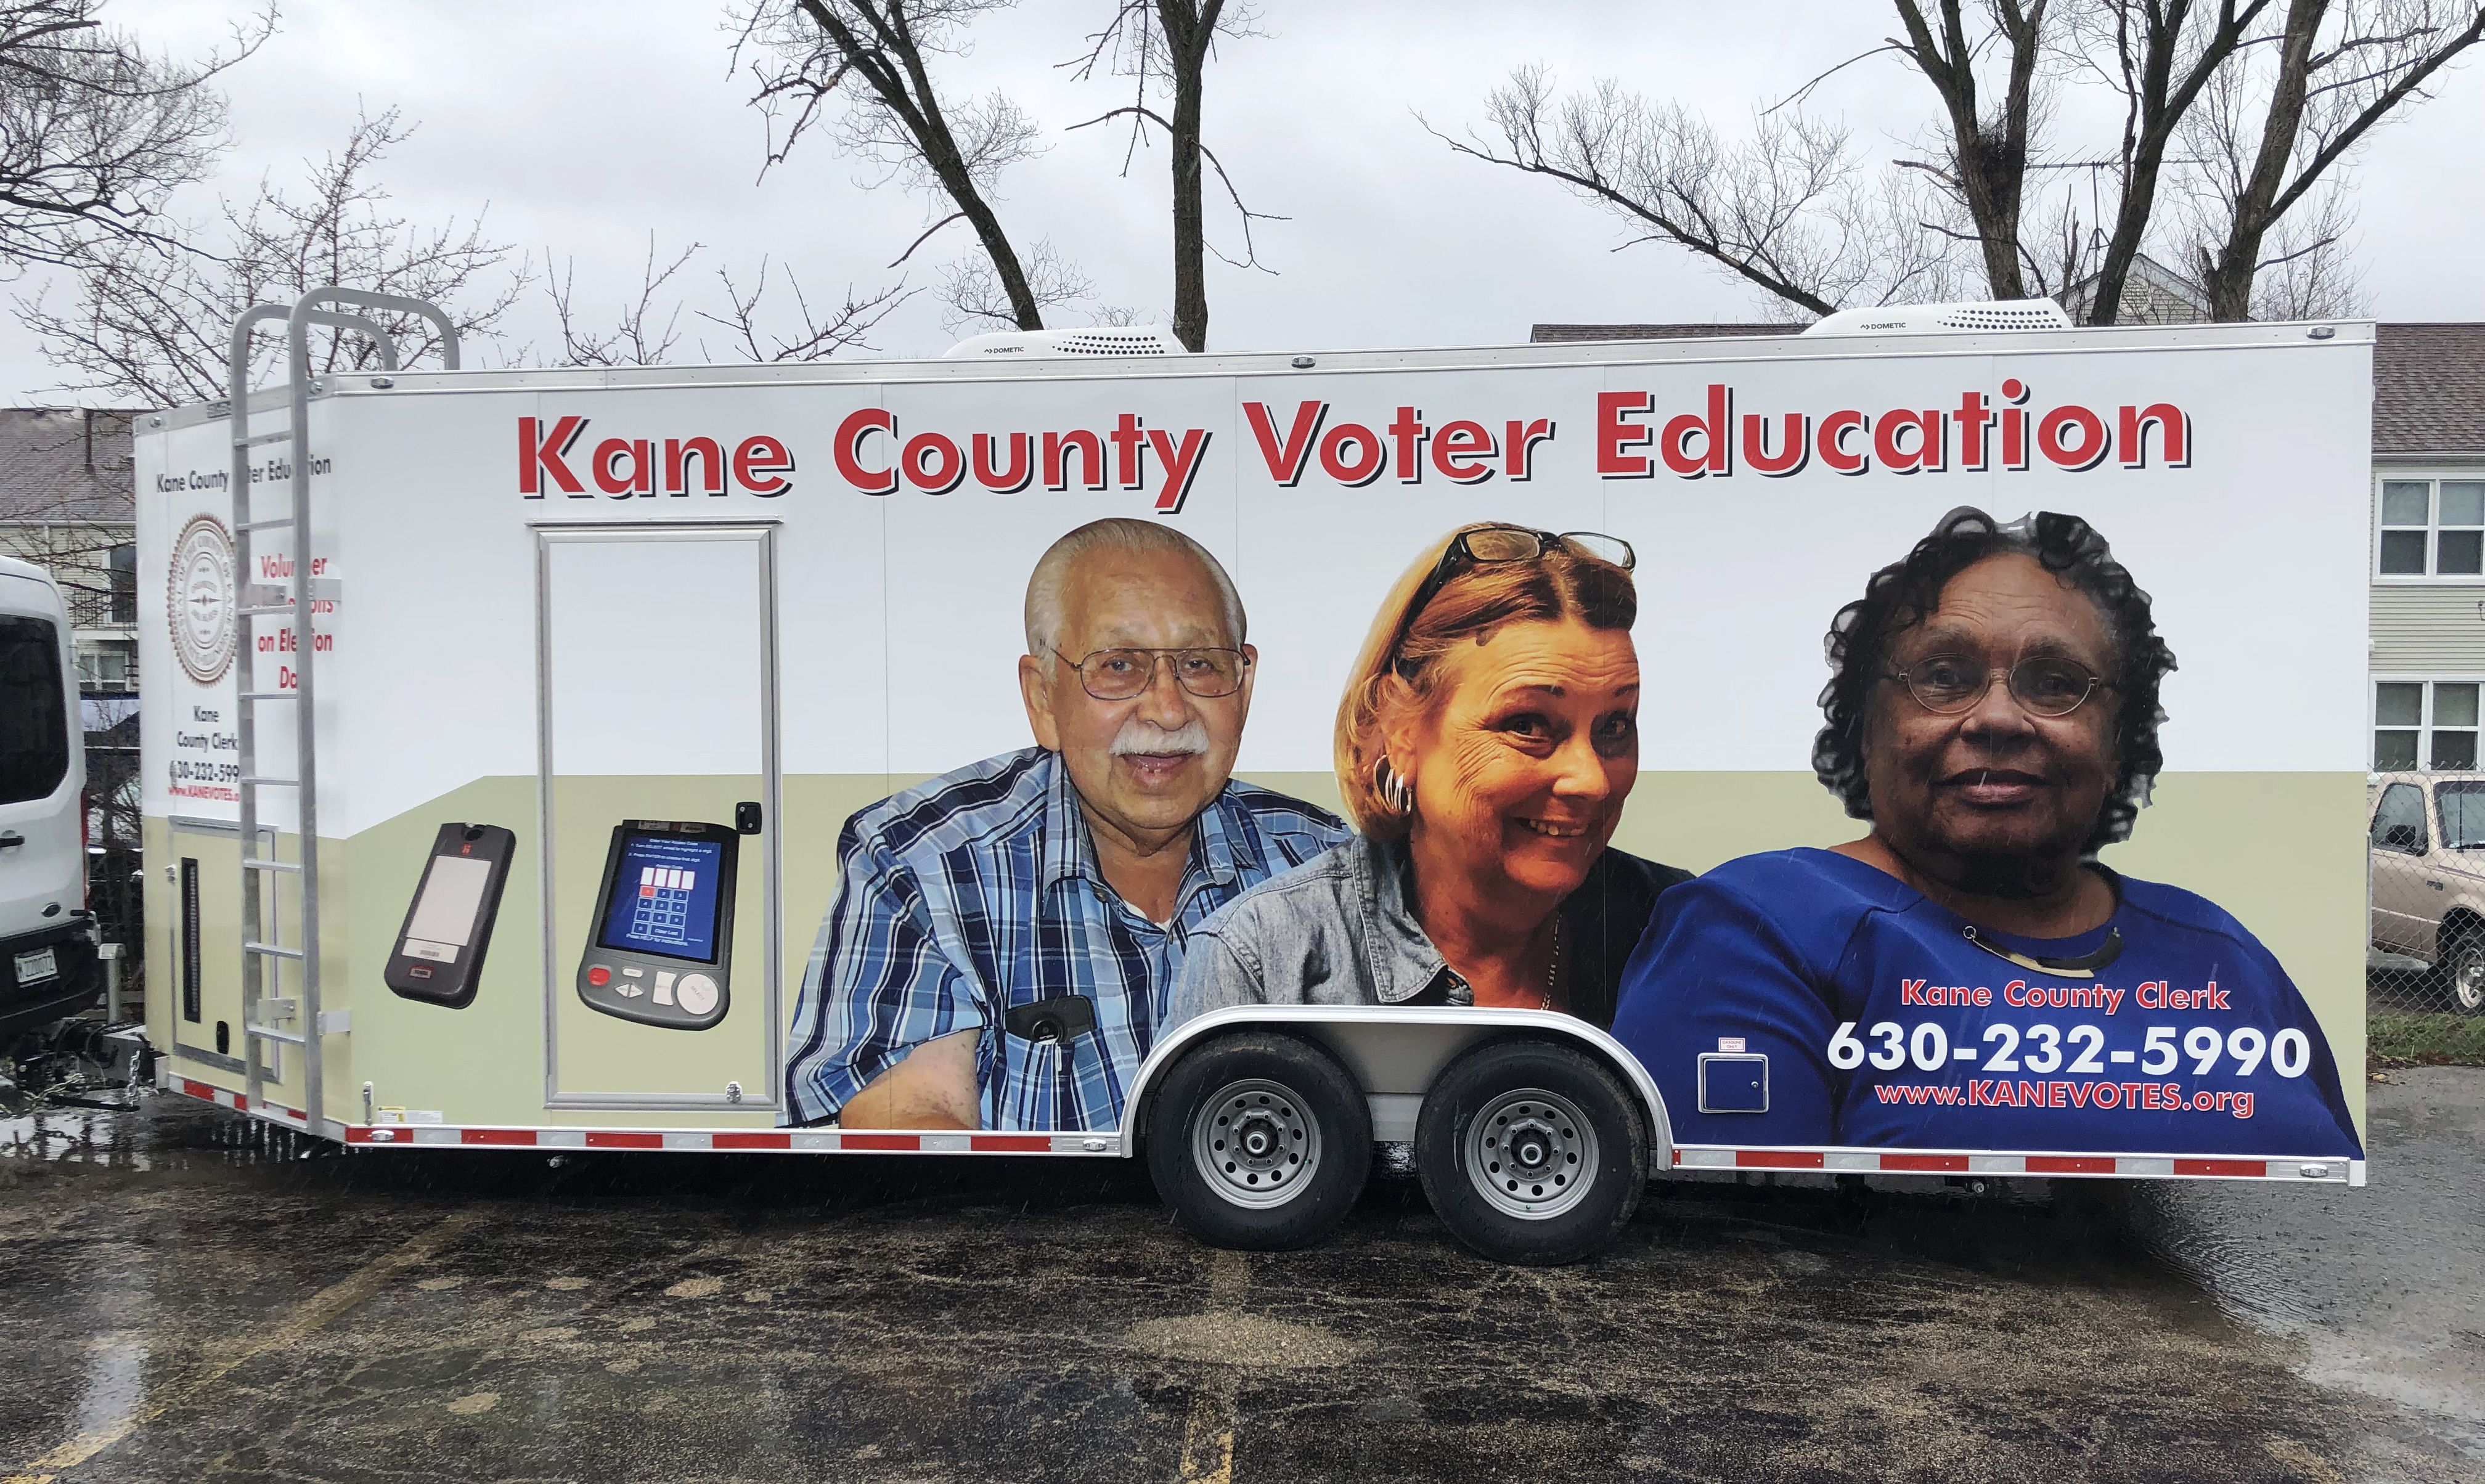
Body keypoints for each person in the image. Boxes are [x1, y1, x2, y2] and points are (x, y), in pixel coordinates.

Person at [1610, 508, 2362, 1158]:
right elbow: (1729, 1268)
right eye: (1943, 675)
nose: (1998, 718)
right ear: (1866, 728)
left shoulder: (2222, 953)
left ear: (2118, 738)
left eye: (2057, 683)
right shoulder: (1759, 929)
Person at [783, 518, 1348, 1131]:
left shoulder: (1328, 872)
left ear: (1245, 683)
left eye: (1200, 663)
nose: (1167, 707)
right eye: (1119, 665)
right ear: (1043, 698)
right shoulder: (922, 866)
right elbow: (916, 1128)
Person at [1172, 523, 1690, 1027]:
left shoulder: (1681, 930)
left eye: (1615, 725)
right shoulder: (1263, 958)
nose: (1591, 780)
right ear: (1397, 728)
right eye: (1527, 724)